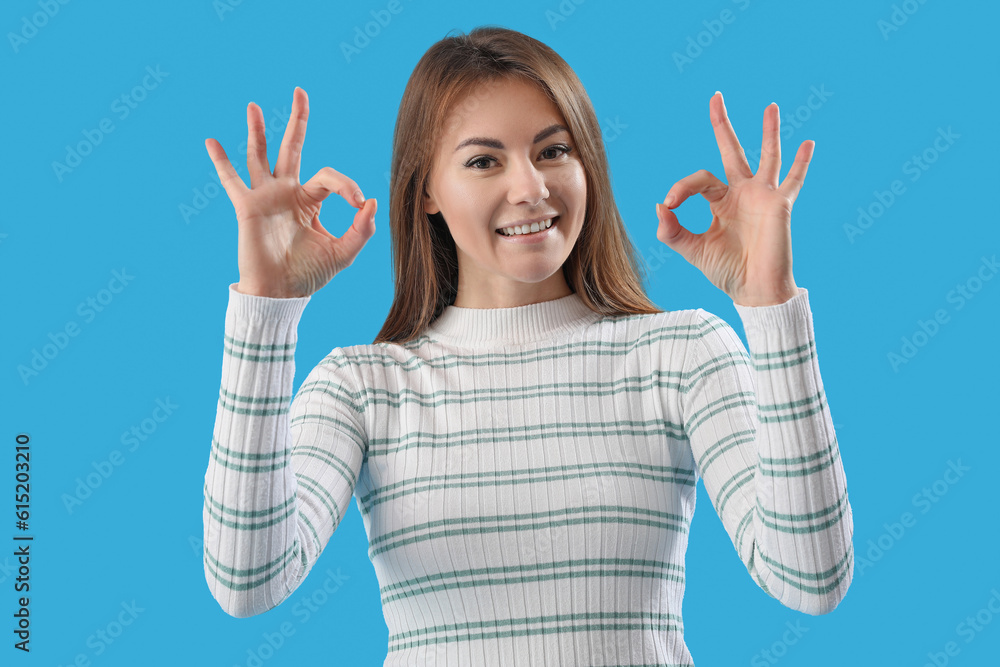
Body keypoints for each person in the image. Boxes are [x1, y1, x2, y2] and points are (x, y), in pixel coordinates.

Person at [202, 26, 853, 666]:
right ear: (426, 189)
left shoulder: (680, 353)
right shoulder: (363, 386)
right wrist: (267, 308)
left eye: (553, 151)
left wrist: (770, 304)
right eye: (484, 160)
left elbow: (811, 579)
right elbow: (248, 580)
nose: (532, 187)